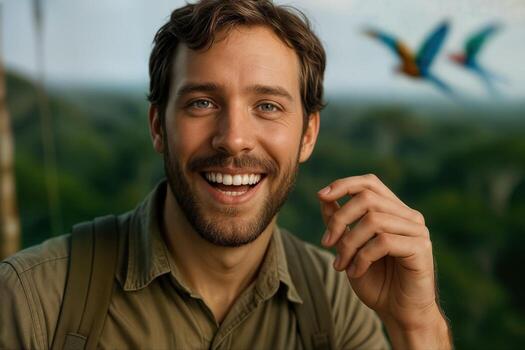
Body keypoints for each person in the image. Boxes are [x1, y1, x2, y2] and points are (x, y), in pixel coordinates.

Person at [0, 0, 452, 349]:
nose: (234, 139)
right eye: (202, 102)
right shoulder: (33, 300)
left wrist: (416, 323)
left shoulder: (339, 303)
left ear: (308, 134)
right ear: (158, 126)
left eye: (268, 107)